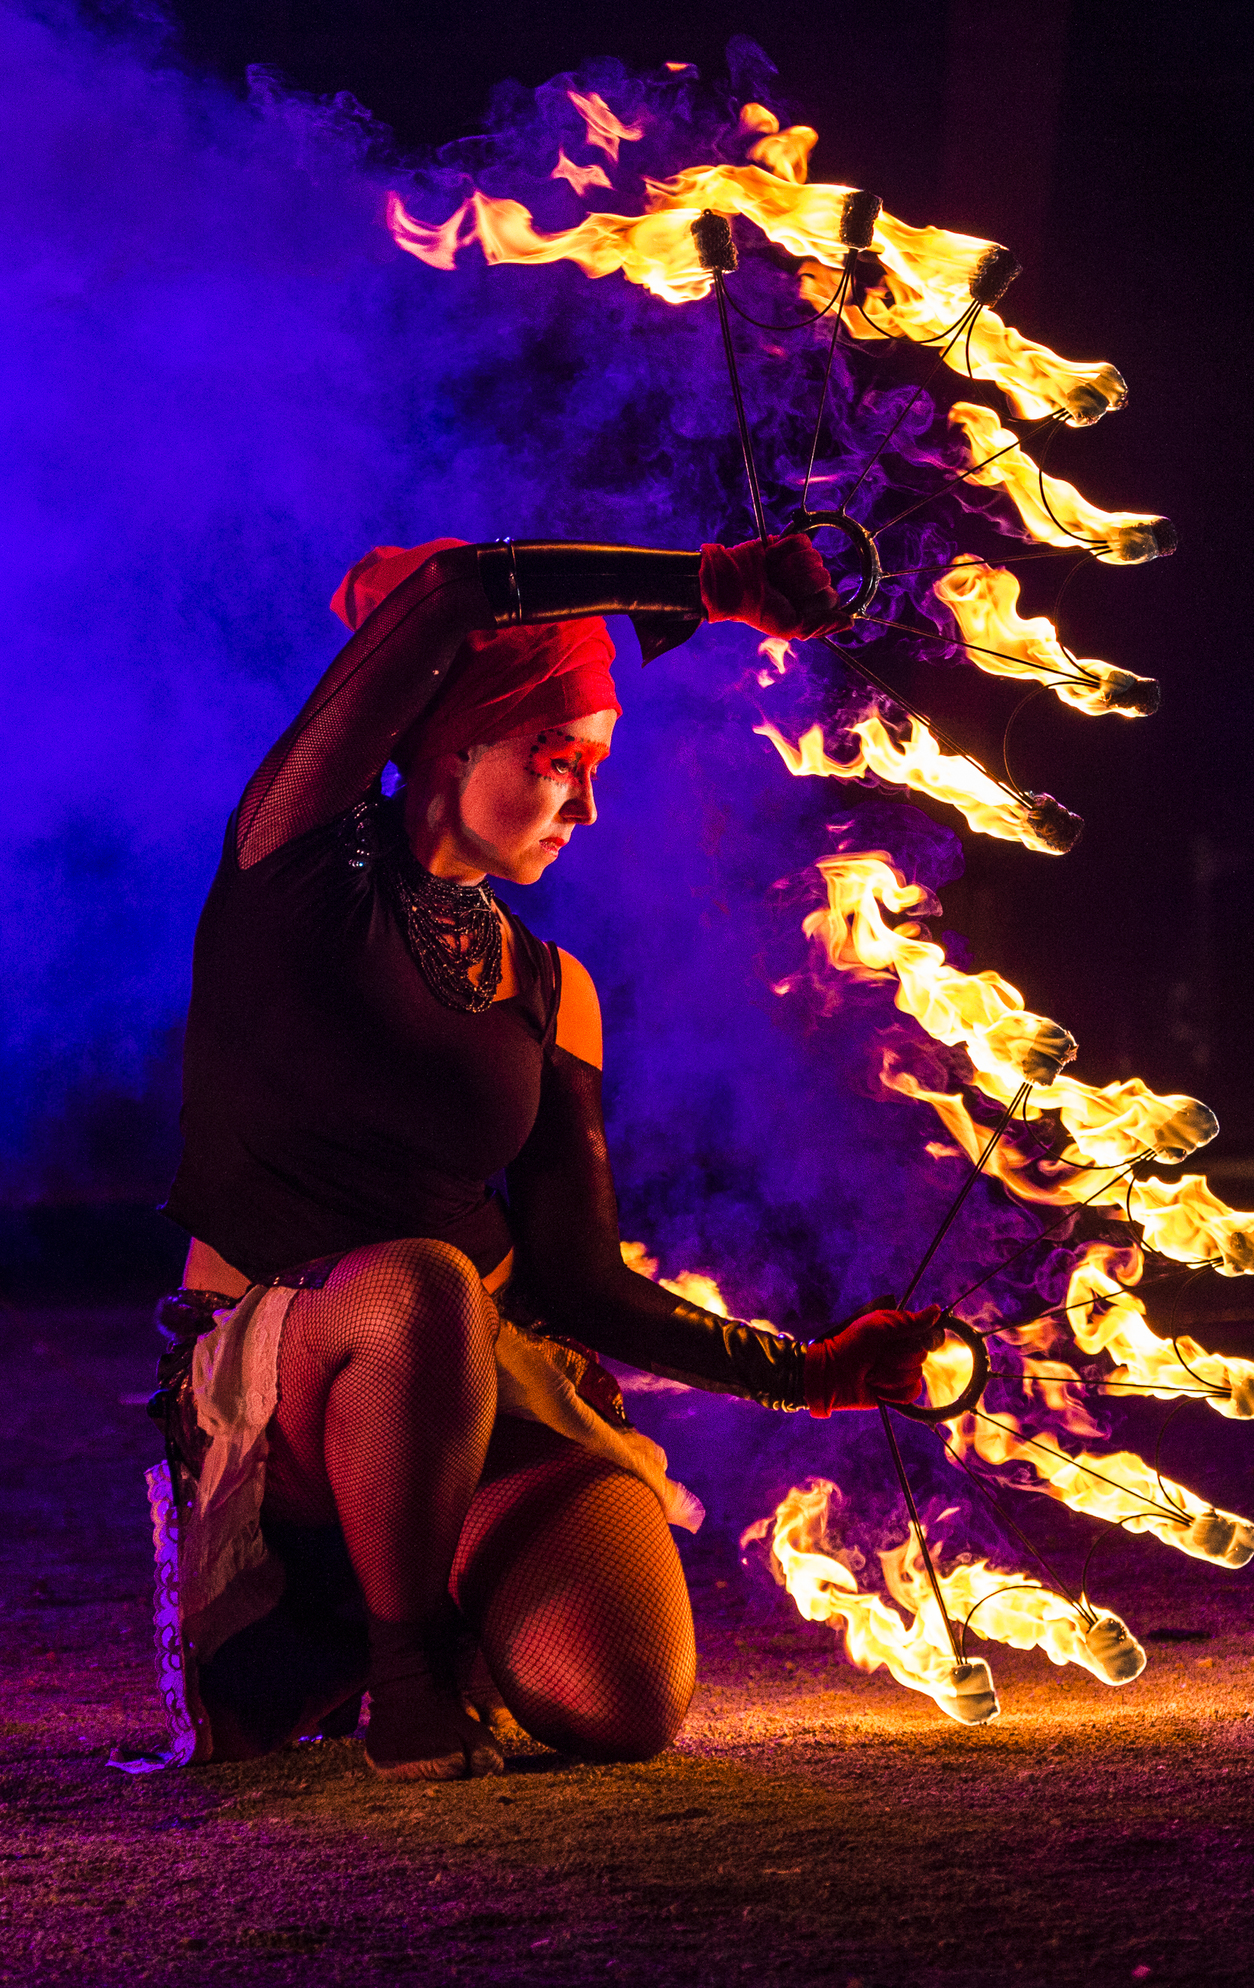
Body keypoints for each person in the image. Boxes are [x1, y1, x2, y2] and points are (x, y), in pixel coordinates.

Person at [136, 530, 943, 1785]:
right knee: (421, 1286)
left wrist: (813, 1376)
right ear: (446, 740)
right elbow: (460, 594)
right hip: (278, 1385)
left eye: (597, 766)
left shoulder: (552, 984)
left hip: (474, 1371)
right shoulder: (289, 865)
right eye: (557, 760)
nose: (588, 802)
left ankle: (445, 1596)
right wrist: (710, 585)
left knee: (621, 1699)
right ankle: (401, 1665)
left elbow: (575, 1277)